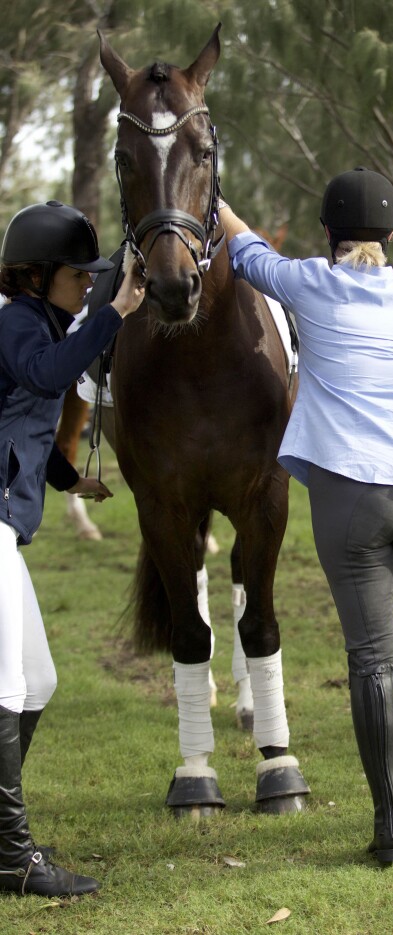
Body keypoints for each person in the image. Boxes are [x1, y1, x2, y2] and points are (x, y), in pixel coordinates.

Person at [218, 167, 393, 866]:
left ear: (328, 234)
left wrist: (214, 195)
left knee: (372, 658)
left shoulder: (312, 283)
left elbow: (248, 254)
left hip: (355, 492)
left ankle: (390, 826)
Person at [0, 200, 144, 897]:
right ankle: (11, 857)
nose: (86, 284)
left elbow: (20, 416)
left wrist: (68, 477)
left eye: (93, 275)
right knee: (5, 686)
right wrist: (113, 313)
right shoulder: (18, 324)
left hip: (6, 528)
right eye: (76, 273)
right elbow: (44, 377)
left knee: (40, 682)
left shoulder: (40, 322)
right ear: (36, 275)